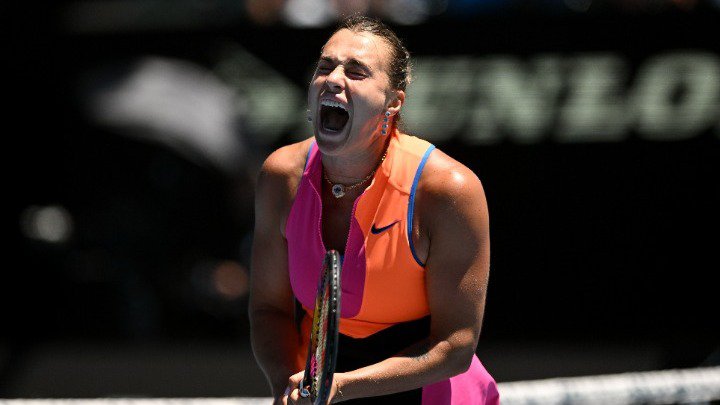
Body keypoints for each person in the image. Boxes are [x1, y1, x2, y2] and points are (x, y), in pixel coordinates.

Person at [249, 15, 498, 404]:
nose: (333, 79)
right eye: (325, 66)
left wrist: (344, 386)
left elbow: (456, 344)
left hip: (430, 392)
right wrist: (286, 386)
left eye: (356, 72)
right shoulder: (281, 176)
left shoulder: (448, 190)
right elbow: (269, 309)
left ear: (392, 103)